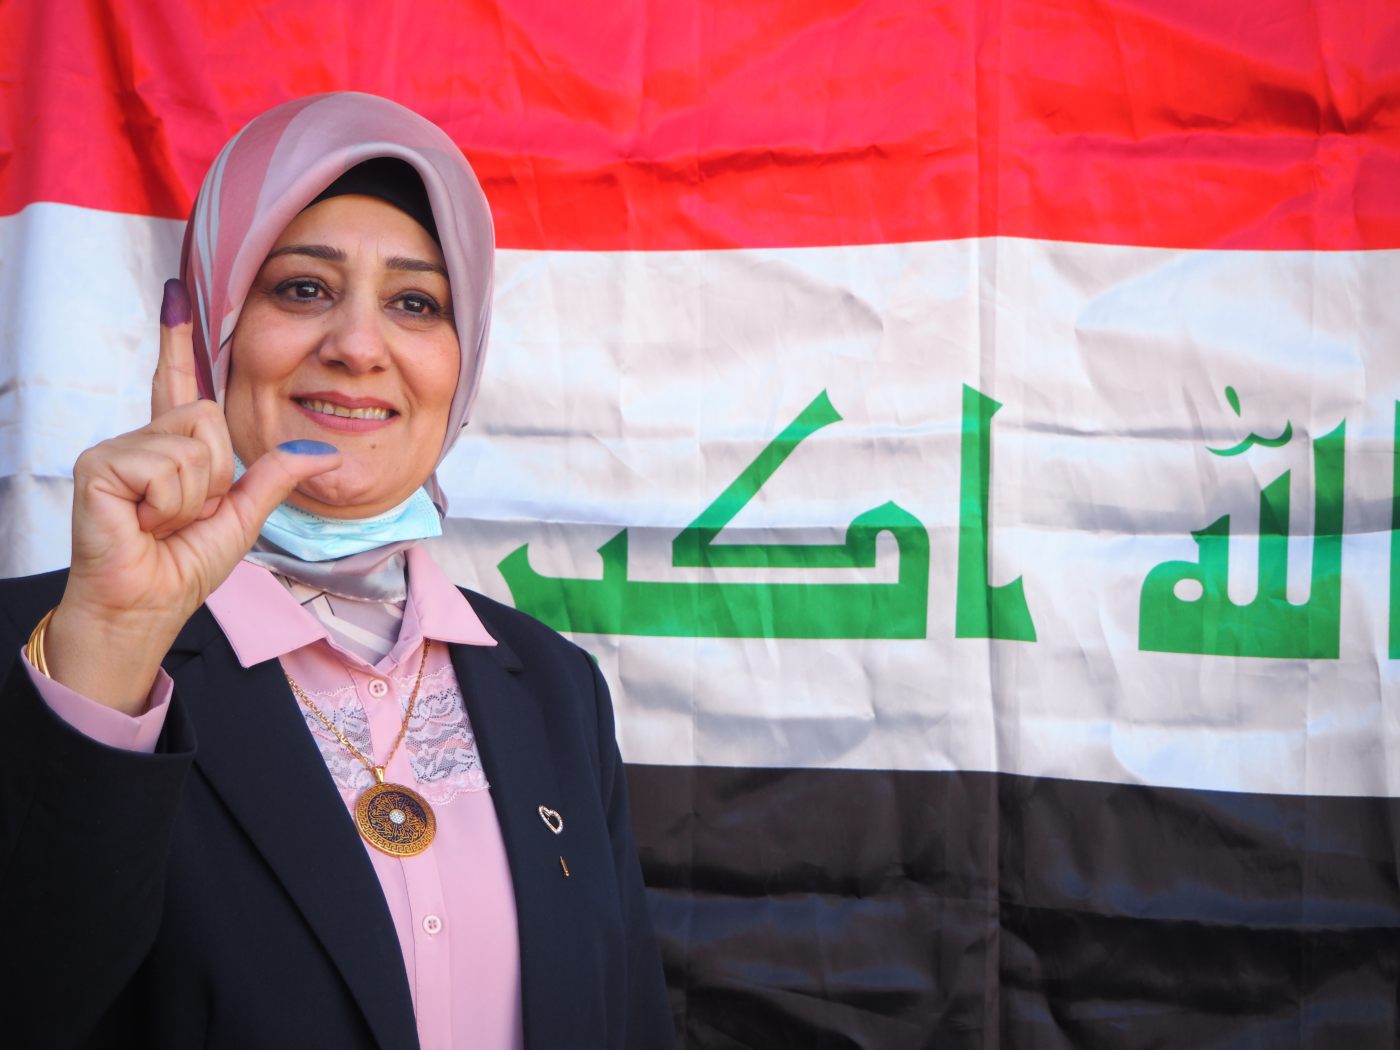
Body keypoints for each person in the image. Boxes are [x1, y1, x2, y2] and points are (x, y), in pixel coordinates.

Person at [0, 92, 673, 1049]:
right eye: (303, 289)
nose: (358, 347)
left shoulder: (556, 687)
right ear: (218, 332)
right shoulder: (49, 650)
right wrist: (111, 650)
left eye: (415, 303)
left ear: (463, 360)